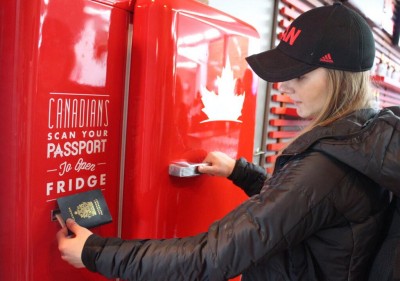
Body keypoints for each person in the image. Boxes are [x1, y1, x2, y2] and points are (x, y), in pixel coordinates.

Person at [56, 2, 400, 280]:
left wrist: (95, 252)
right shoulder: (364, 138)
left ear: (340, 78)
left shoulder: (328, 166)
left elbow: (213, 256)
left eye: (300, 74)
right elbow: (303, 210)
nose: (284, 86)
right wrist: (241, 172)